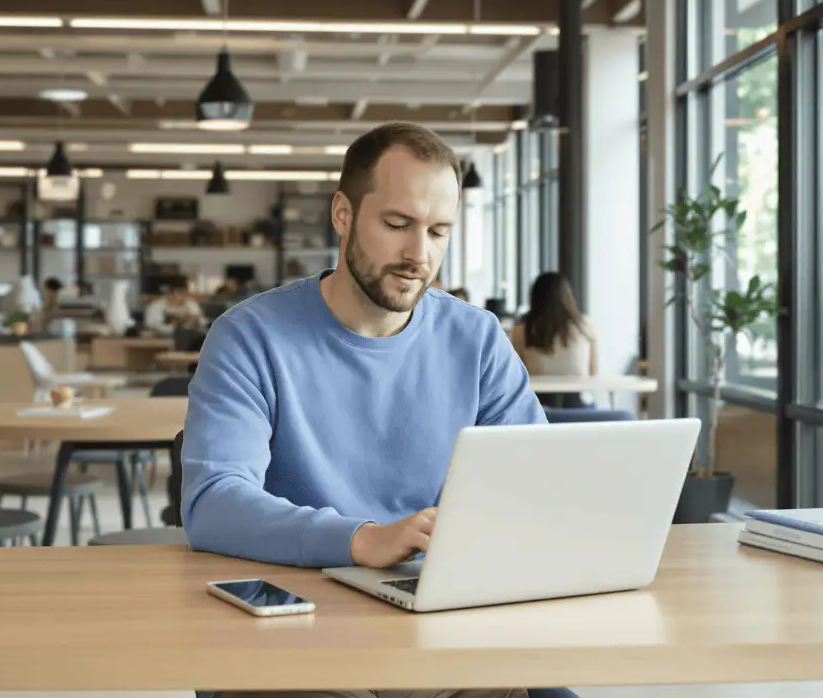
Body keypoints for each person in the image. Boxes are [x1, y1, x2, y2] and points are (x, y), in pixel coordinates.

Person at [182, 122, 572, 698]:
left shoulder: (477, 339)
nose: (420, 254)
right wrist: (360, 538)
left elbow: (536, 481)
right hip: (301, 629)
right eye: (397, 225)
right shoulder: (250, 337)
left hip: (442, 625)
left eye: (439, 231)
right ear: (343, 215)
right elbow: (213, 505)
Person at [511, 272, 597, 409]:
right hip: (580, 409)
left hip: (539, 408)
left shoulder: (521, 330)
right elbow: (592, 371)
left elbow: (517, 373)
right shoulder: (585, 325)